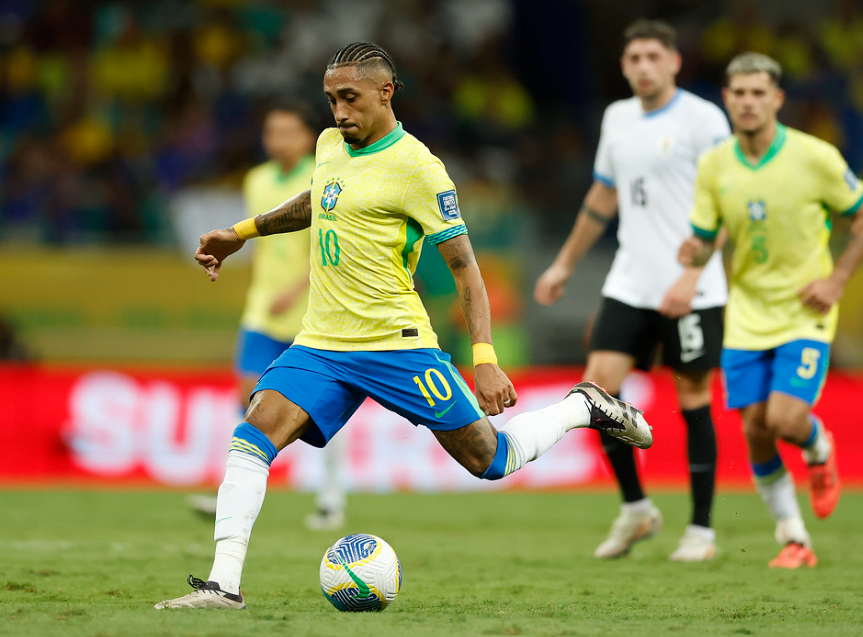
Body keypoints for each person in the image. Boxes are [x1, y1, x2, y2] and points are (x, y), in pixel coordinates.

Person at [155, 41, 652, 610]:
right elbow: (322, 199)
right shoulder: (329, 144)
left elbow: (466, 271)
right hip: (322, 340)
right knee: (253, 432)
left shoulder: (419, 168)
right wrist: (242, 232)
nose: (338, 113)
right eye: (330, 100)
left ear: (385, 92)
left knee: (490, 459)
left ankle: (582, 406)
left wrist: (485, 359)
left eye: (349, 98)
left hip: (397, 344)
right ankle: (224, 586)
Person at [534, 19, 730, 562]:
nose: (643, 66)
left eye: (653, 56)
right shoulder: (617, 117)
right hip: (630, 280)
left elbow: (731, 200)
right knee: (595, 394)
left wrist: (692, 275)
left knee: (693, 399)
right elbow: (604, 195)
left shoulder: (704, 119)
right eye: (634, 58)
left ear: (674, 62)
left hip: (694, 286)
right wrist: (564, 264)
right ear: (623, 67)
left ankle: (702, 530)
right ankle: (636, 508)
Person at [679, 52, 863, 568]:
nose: (748, 102)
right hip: (747, 314)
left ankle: (819, 447)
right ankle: (795, 538)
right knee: (755, 430)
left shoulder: (815, 157)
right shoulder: (715, 165)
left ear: (778, 99)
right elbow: (705, 232)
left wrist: (837, 280)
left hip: (805, 310)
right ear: (727, 99)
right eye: (738, 92)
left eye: (758, 92)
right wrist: (691, 254)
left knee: (784, 419)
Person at [186, 102, 348, 531]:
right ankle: (233, 489)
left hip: (312, 310)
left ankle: (331, 496)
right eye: (271, 132)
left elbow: (332, 242)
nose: (278, 140)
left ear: (306, 137)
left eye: (288, 132)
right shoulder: (256, 180)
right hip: (263, 308)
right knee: (246, 394)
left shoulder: (327, 171)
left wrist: (295, 289)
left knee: (320, 407)